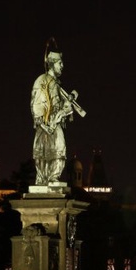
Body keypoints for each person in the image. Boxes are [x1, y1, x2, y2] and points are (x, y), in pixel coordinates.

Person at [31, 41, 85, 185]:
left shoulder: (57, 84)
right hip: (47, 124)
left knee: (60, 150)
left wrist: (67, 104)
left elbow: (60, 106)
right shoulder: (42, 81)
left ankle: (53, 178)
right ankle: (44, 179)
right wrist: (45, 124)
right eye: (60, 63)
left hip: (57, 122)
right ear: (52, 63)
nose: (62, 66)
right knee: (44, 154)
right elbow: (37, 105)